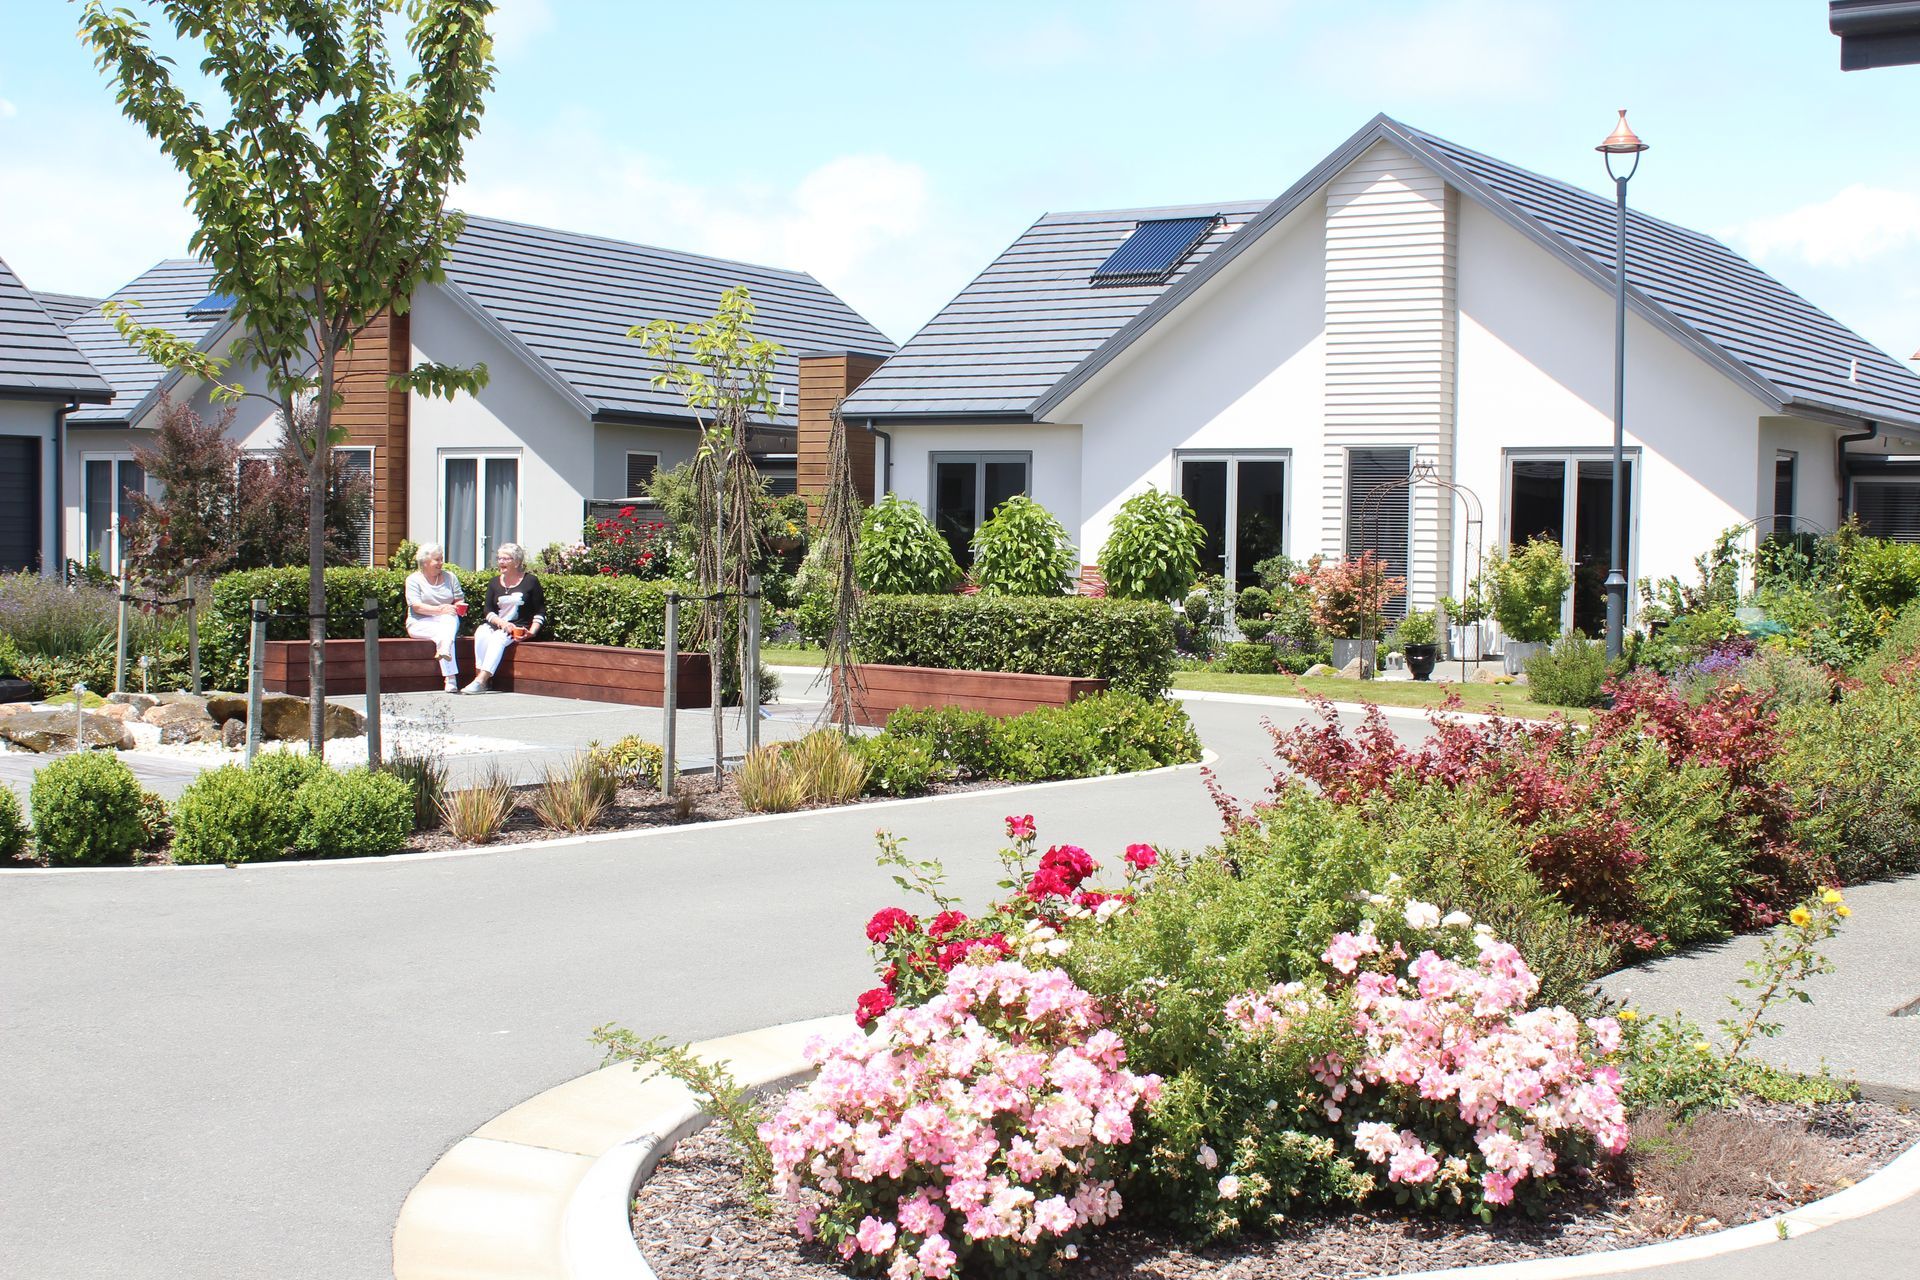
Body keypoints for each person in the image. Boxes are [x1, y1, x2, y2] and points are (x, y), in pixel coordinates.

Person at [465, 542, 547, 693]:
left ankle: (481, 680)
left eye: (506, 559)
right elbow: (488, 610)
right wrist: (501, 623)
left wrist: (532, 632)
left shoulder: (531, 581)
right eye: (499, 558)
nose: (501, 562)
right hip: (498, 624)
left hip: (517, 627)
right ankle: (481, 679)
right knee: (481, 633)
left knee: (498, 638)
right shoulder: (494, 582)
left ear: (517, 562)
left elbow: (540, 611)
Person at [404, 543, 467, 693]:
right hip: (419, 623)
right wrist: (441, 609)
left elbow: (459, 599)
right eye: (437, 560)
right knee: (446, 633)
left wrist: (459, 607)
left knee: (447, 625)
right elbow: (417, 607)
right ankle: (450, 678)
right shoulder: (413, 580)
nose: (441, 563)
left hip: (445, 621)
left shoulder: (450, 577)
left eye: (441, 559)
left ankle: (450, 676)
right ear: (425, 562)